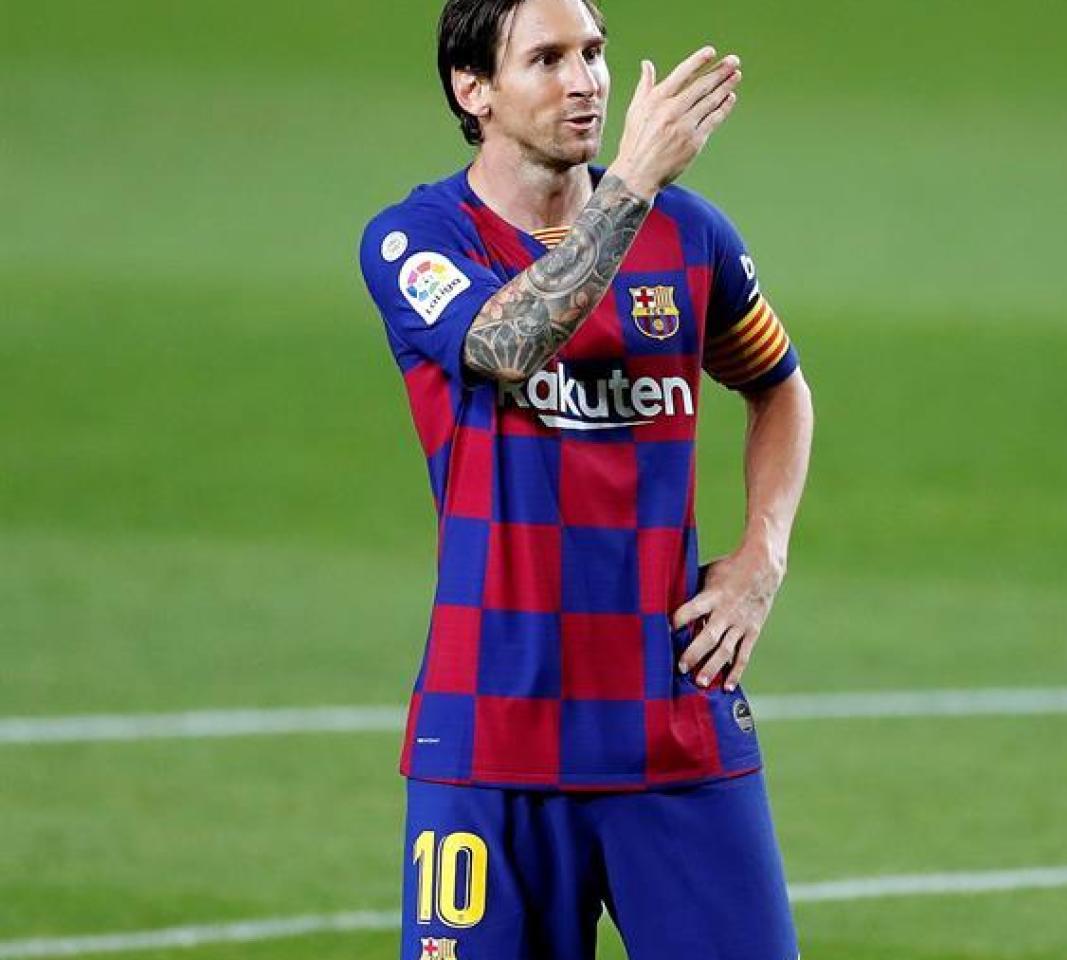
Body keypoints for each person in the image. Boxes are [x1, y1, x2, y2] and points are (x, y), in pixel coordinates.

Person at [356, 0, 813, 956]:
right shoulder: (416, 241)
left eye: (595, 53)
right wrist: (633, 184)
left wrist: (761, 556)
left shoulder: (689, 241)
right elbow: (506, 341)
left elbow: (779, 388)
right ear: (471, 88)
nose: (587, 82)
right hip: (489, 740)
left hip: (673, 728)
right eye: (549, 58)